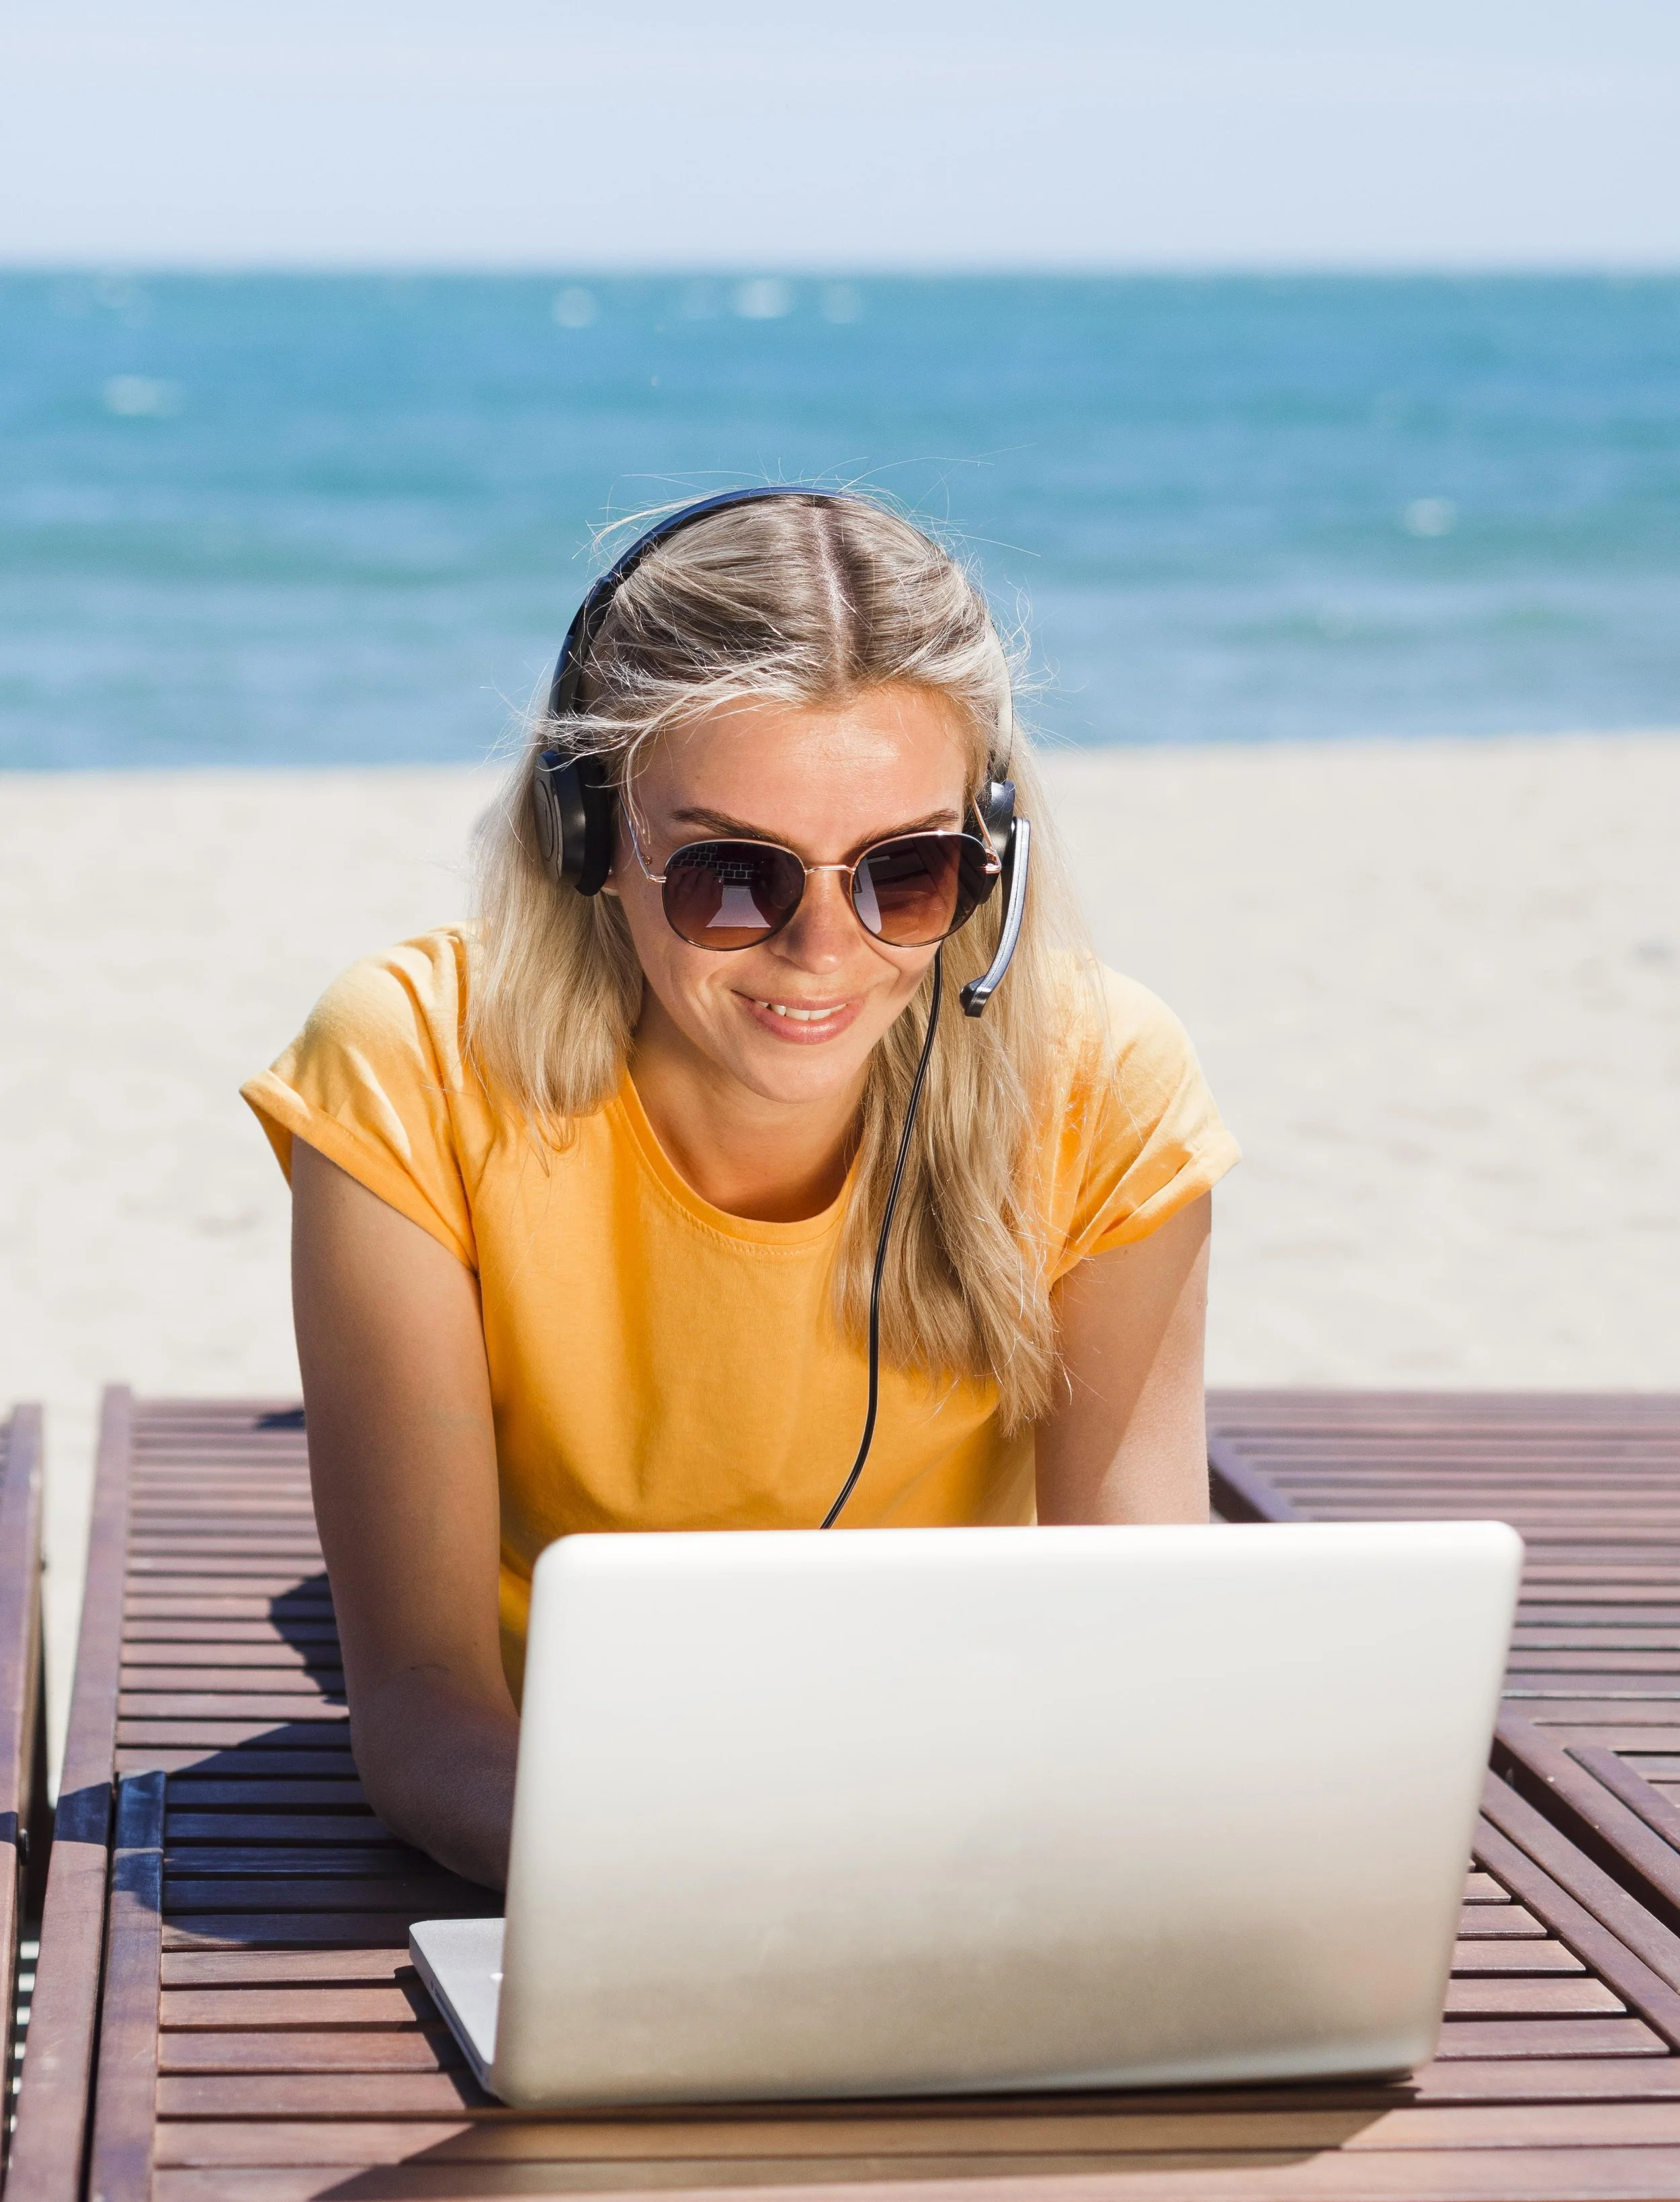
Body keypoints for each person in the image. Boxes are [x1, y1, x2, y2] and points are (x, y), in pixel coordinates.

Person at [242, 491, 1238, 1891]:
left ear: (986, 852)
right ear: (586, 837)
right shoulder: (407, 1059)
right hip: (583, 1794)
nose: (821, 950)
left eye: (907, 870)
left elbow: (1137, 1649)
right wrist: (715, 1899)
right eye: (728, 874)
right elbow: (422, 1711)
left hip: (941, 1798)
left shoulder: (1104, 1080)